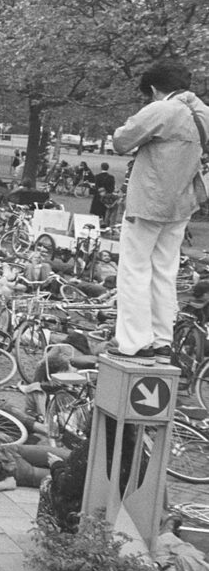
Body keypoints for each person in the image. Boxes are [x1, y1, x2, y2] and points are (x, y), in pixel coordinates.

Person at [109, 61, 209, 359]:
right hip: (181, 204)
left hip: (149, 201)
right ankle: (163, 338)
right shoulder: (203, 111)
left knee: (134, 270)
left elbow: (121, 141)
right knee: (164, 272)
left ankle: (134, 341)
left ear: (154, 88)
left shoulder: (161, 110)